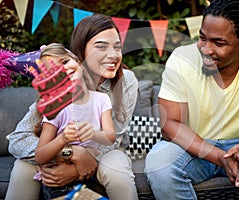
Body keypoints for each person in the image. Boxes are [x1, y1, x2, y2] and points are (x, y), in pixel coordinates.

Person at [144, 0, 239, 199]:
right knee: (160, 163)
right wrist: (220, 157)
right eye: (202, 38)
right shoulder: (182, 59)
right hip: (195, 149)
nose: (206, 49)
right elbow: (170, 124)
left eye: (218, 43)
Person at [6, 14, 139, 200]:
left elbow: (113, 138)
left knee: (117, 167)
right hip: (58, 150)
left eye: (117, 47)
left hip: (103, 154)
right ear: (80, 53)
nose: (113, 55)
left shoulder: (126, 82)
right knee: (22, 167)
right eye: (101, 47)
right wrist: (70, 153)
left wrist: (77, 167)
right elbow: (18, 140)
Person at [33, 43, 116, 199]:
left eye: (65, 62)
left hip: (90, 176)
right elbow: (40, 155)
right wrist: (63, 138)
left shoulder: (102, 99)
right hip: (59, 183)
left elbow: (111, 136)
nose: (63, 70)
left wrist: (93, 134)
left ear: (78, 62)